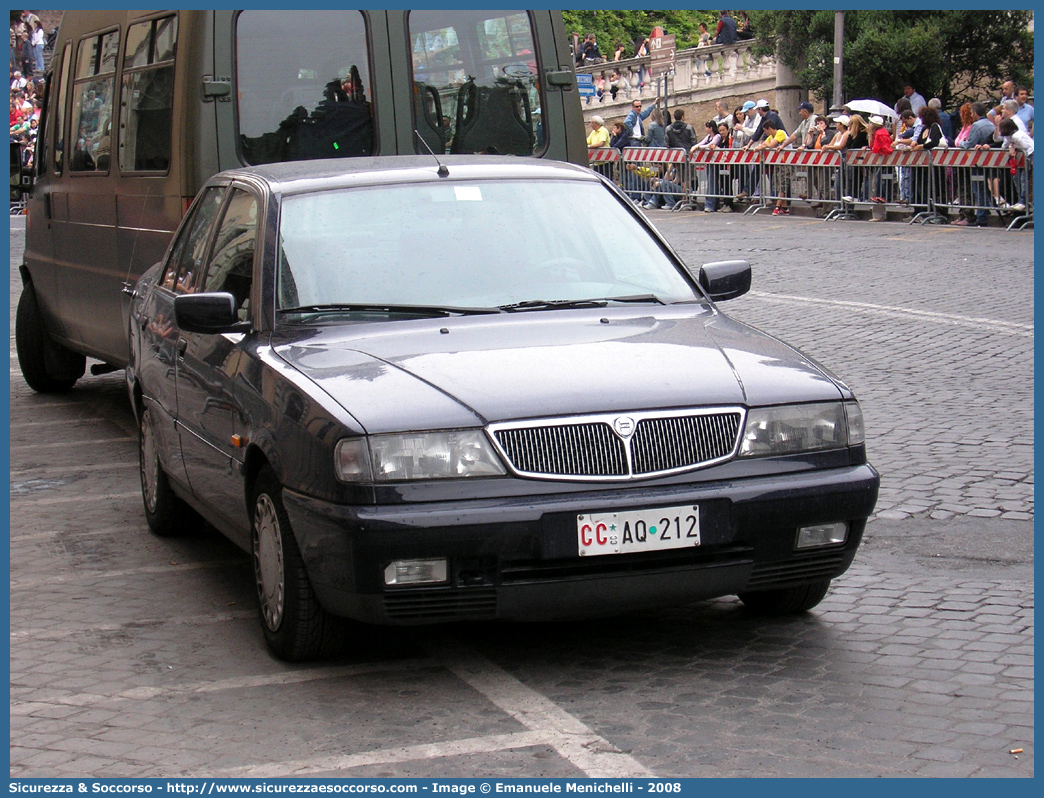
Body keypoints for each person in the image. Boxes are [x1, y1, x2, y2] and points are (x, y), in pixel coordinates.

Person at [957, 102, 996, 227]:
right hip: (988, 161)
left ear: (974, 113)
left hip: (977, 162)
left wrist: (961, 143)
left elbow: (969, 144)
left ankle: (981, 216)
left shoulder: (976, 125)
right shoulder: (990, 124)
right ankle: (988, 208)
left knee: (978, 189)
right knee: (984, 187)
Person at [998, 117, 1032, 213]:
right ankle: (1021, 200)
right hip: (1026, 157)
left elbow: (1027, 147)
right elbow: (1009, 144)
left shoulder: (1017, 136)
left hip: (1029, 156)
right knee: (1018, 179)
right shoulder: (1013, 136)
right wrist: (1011, 147)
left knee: (1023, 180)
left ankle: (1023, 201)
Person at [691, 120, 723, 212]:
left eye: (706, 127)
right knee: (711, 180)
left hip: (715, 161)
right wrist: (695, 146)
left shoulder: (717, 136)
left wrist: (698, 148)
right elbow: (702, 142)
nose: (705, 129)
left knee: (712, 181)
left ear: (711, 128)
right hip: (709, 161)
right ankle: (713, 203)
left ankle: (711, 203)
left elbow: (709, 145)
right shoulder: (708, 136)